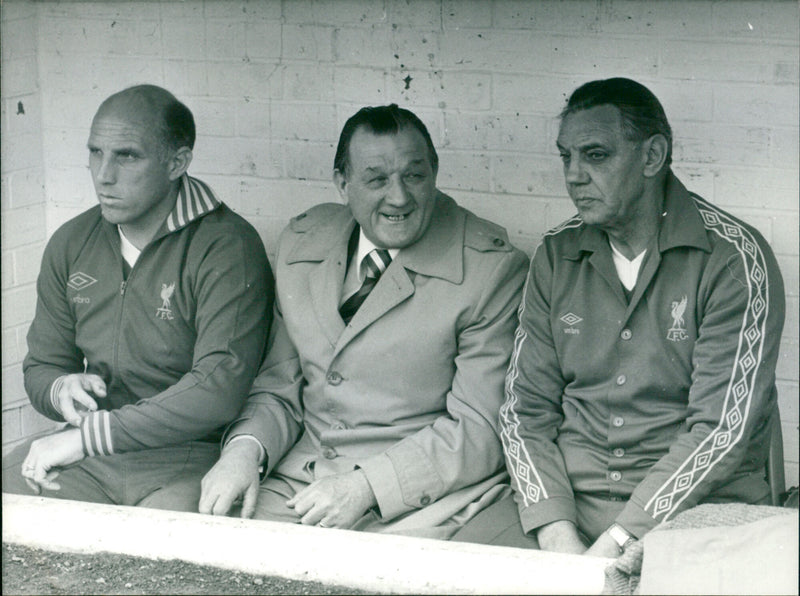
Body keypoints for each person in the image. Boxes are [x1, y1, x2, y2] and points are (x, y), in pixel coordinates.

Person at [453, 77, 785, 556]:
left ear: (651, 157)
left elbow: (720, 429)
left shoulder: (733, 258)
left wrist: (622, 538)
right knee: (453, 571)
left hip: (694, 509)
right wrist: (554, 528)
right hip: (569, 503)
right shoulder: (556, 254)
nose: (573, 175)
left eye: (595, 155)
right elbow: (524, 412)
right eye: (565, 156)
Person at [199, 104, 528, 539]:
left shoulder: (490, 269)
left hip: (421, 498)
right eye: (377, 179)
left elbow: (478, 429)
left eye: (414, 176)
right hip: (304, 479)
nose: (399, 197)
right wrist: (245, 450)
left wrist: (366, 486)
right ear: (342, 183)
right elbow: (279, 386)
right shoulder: (302, 243)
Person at [2, 85, 274, 511]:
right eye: (95, 153)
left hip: (190, 457)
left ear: (177, 162)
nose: (103, 174)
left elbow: (218, 389)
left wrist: (90, 437)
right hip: (94, 456)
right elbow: (43, 364)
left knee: (149, 552)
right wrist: (60, 389)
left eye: (126, 156)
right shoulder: (73, 241)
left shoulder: (227, 245)